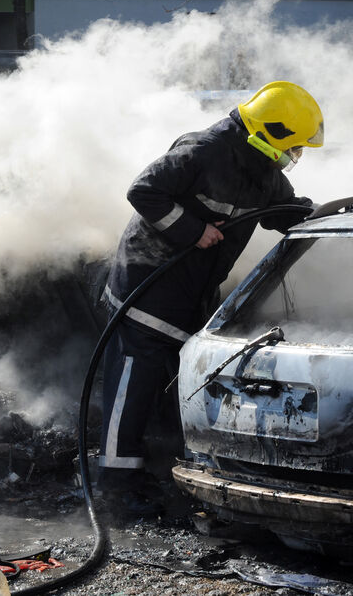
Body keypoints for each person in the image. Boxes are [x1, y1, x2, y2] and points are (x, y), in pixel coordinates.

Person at [99, 81, 324, 515]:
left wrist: (316, 216)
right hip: (146, 291)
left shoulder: (262, 171)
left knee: (174, 391)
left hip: (192, 296)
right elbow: (142, 190)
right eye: (293, 147)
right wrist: (191, 229)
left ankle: (163, 471)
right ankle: (113, 487)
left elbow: (280, 213)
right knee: (132, 388)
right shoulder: (203, 152)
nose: (295, 157)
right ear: (268, 134)